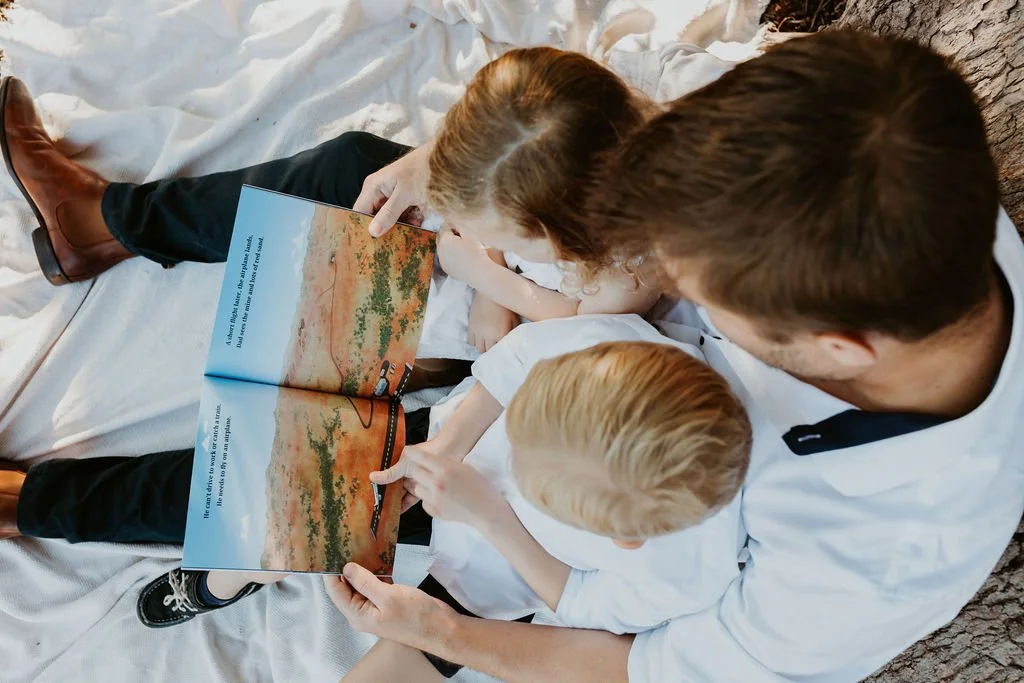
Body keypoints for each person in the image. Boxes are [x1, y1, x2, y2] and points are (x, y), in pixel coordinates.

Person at [319, 30, 1024, 683]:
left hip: (592, 520)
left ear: (831, 351)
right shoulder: (866, 146)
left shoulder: (867, 563)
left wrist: (447, 634)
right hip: (550, 401)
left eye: (695, 284)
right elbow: (629, 125)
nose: (647, 274)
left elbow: (643, 665)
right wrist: (458, 172)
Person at [343, 320, 750, 680]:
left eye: (534, 486)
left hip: (494, 576)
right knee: (298, 515)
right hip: (447, 445)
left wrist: (491, 517)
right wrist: (446, 449)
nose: (513, 466)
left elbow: (578, 600)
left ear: (623, 537)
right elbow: (518, 357)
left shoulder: (677, 575)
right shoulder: (626, 356)